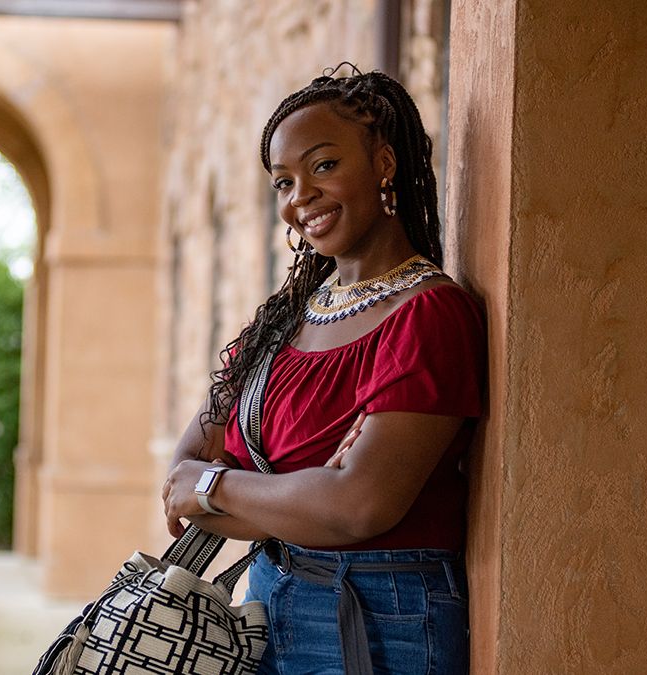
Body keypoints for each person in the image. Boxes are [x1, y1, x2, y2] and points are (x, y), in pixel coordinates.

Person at [161, 64, 485, 675]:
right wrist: (301, 494)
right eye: (282, 181)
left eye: (323, 166)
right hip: (266, 600)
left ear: (384, 164)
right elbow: (185, 475)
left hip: (381, 615)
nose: (299, 197)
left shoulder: (430, 315)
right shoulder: (285, 322)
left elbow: (360, 506)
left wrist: (225, 489)